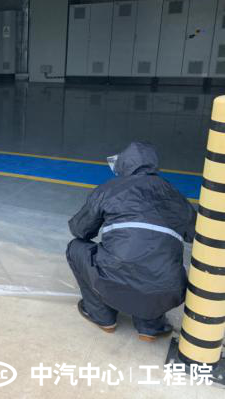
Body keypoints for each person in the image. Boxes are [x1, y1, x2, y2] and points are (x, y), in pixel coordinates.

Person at [66, 142, 196, 341]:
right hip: (166, 288)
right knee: (158, 268)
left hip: (115, 278)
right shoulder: (174, 195)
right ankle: (150, 326)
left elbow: (80, 230)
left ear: (123, 164)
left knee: (76, 248)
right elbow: (195, 234)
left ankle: (102, 316)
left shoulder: (109, 189)